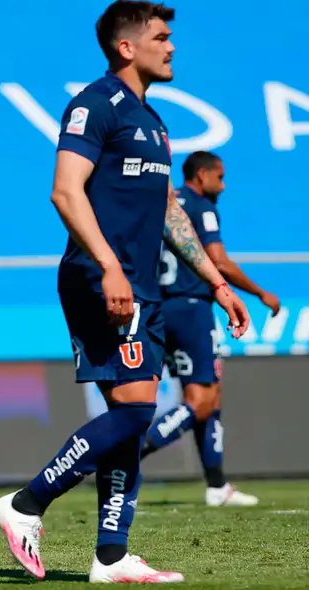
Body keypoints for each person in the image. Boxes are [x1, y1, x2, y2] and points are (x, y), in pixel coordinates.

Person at [0, 2, 249, 583]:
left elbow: (168, 214)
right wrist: (108, 265)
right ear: (127, 47)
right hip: (99, 278)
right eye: (161, 36)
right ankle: (26, 504)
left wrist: (216, 282)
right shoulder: (94, 104)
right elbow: (65, 191)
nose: (172, 46)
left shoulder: (152, 122)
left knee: (130, 417)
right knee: (135, 411)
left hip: (142, 287)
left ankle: (110, 556)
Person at [143, 151, 277, 506]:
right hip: (192, 307)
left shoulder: (164, 202)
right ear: (201, 175)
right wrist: (260, 293)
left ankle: (217, 486)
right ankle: (130, 454)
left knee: (209, 396)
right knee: (201, 402)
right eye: (220, 177)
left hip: (161, 306)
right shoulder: (200, 207)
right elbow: (218, 261)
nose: (223, 185)